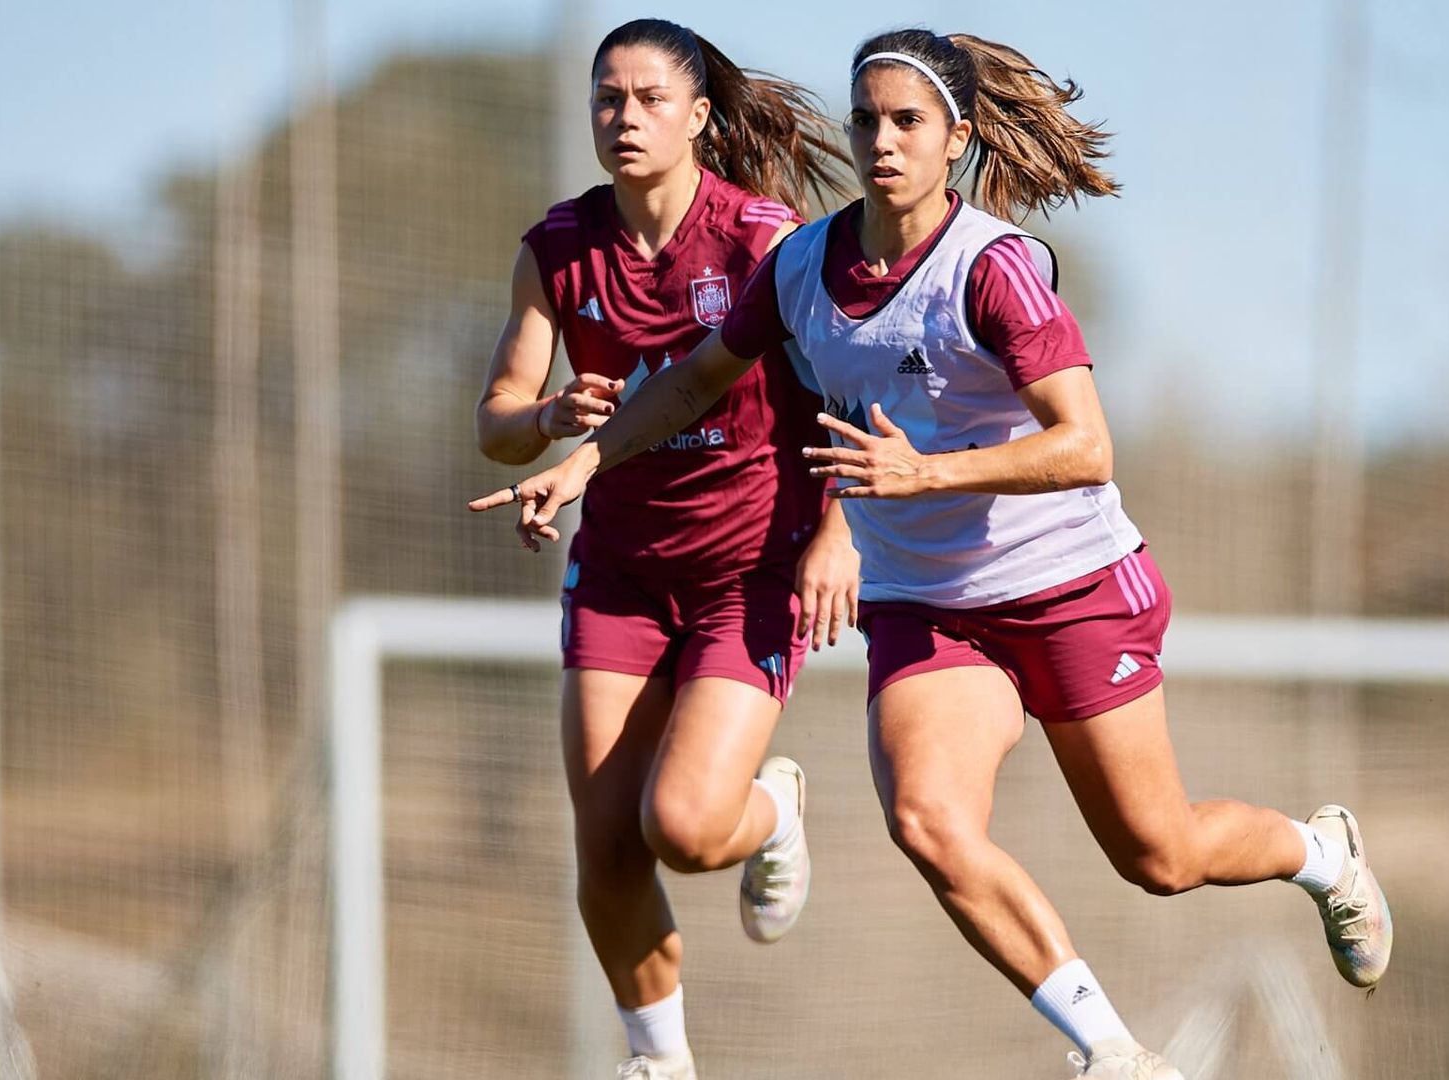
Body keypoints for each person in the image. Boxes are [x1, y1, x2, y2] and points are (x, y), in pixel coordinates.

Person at [475, 26, 1392, 1080]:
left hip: (1067, 586)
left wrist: (924, 477)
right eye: (866, 119)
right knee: (926, 820)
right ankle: (1110, 1052)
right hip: (928, 603)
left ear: (955, 138)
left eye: (907, 121)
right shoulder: (804, 265)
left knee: (1159, 853)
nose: (881, 140)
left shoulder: (992, 268)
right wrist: (586, 458)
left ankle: (1323, 856)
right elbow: (690, 384)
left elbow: (1087, 446)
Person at [469, 18, 856, 1079]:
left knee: (684, 828)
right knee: (605, 846)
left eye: (648, 99)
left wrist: (839, 530)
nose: (625, 117)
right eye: (607, 99)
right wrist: (548, 419)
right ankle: (661, 1063)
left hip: (749, 573)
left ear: (698, 116)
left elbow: (856, 395)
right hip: (623, 577)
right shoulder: (557, 249)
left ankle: (774, 808)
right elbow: (495, 419)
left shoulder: (765, 243)